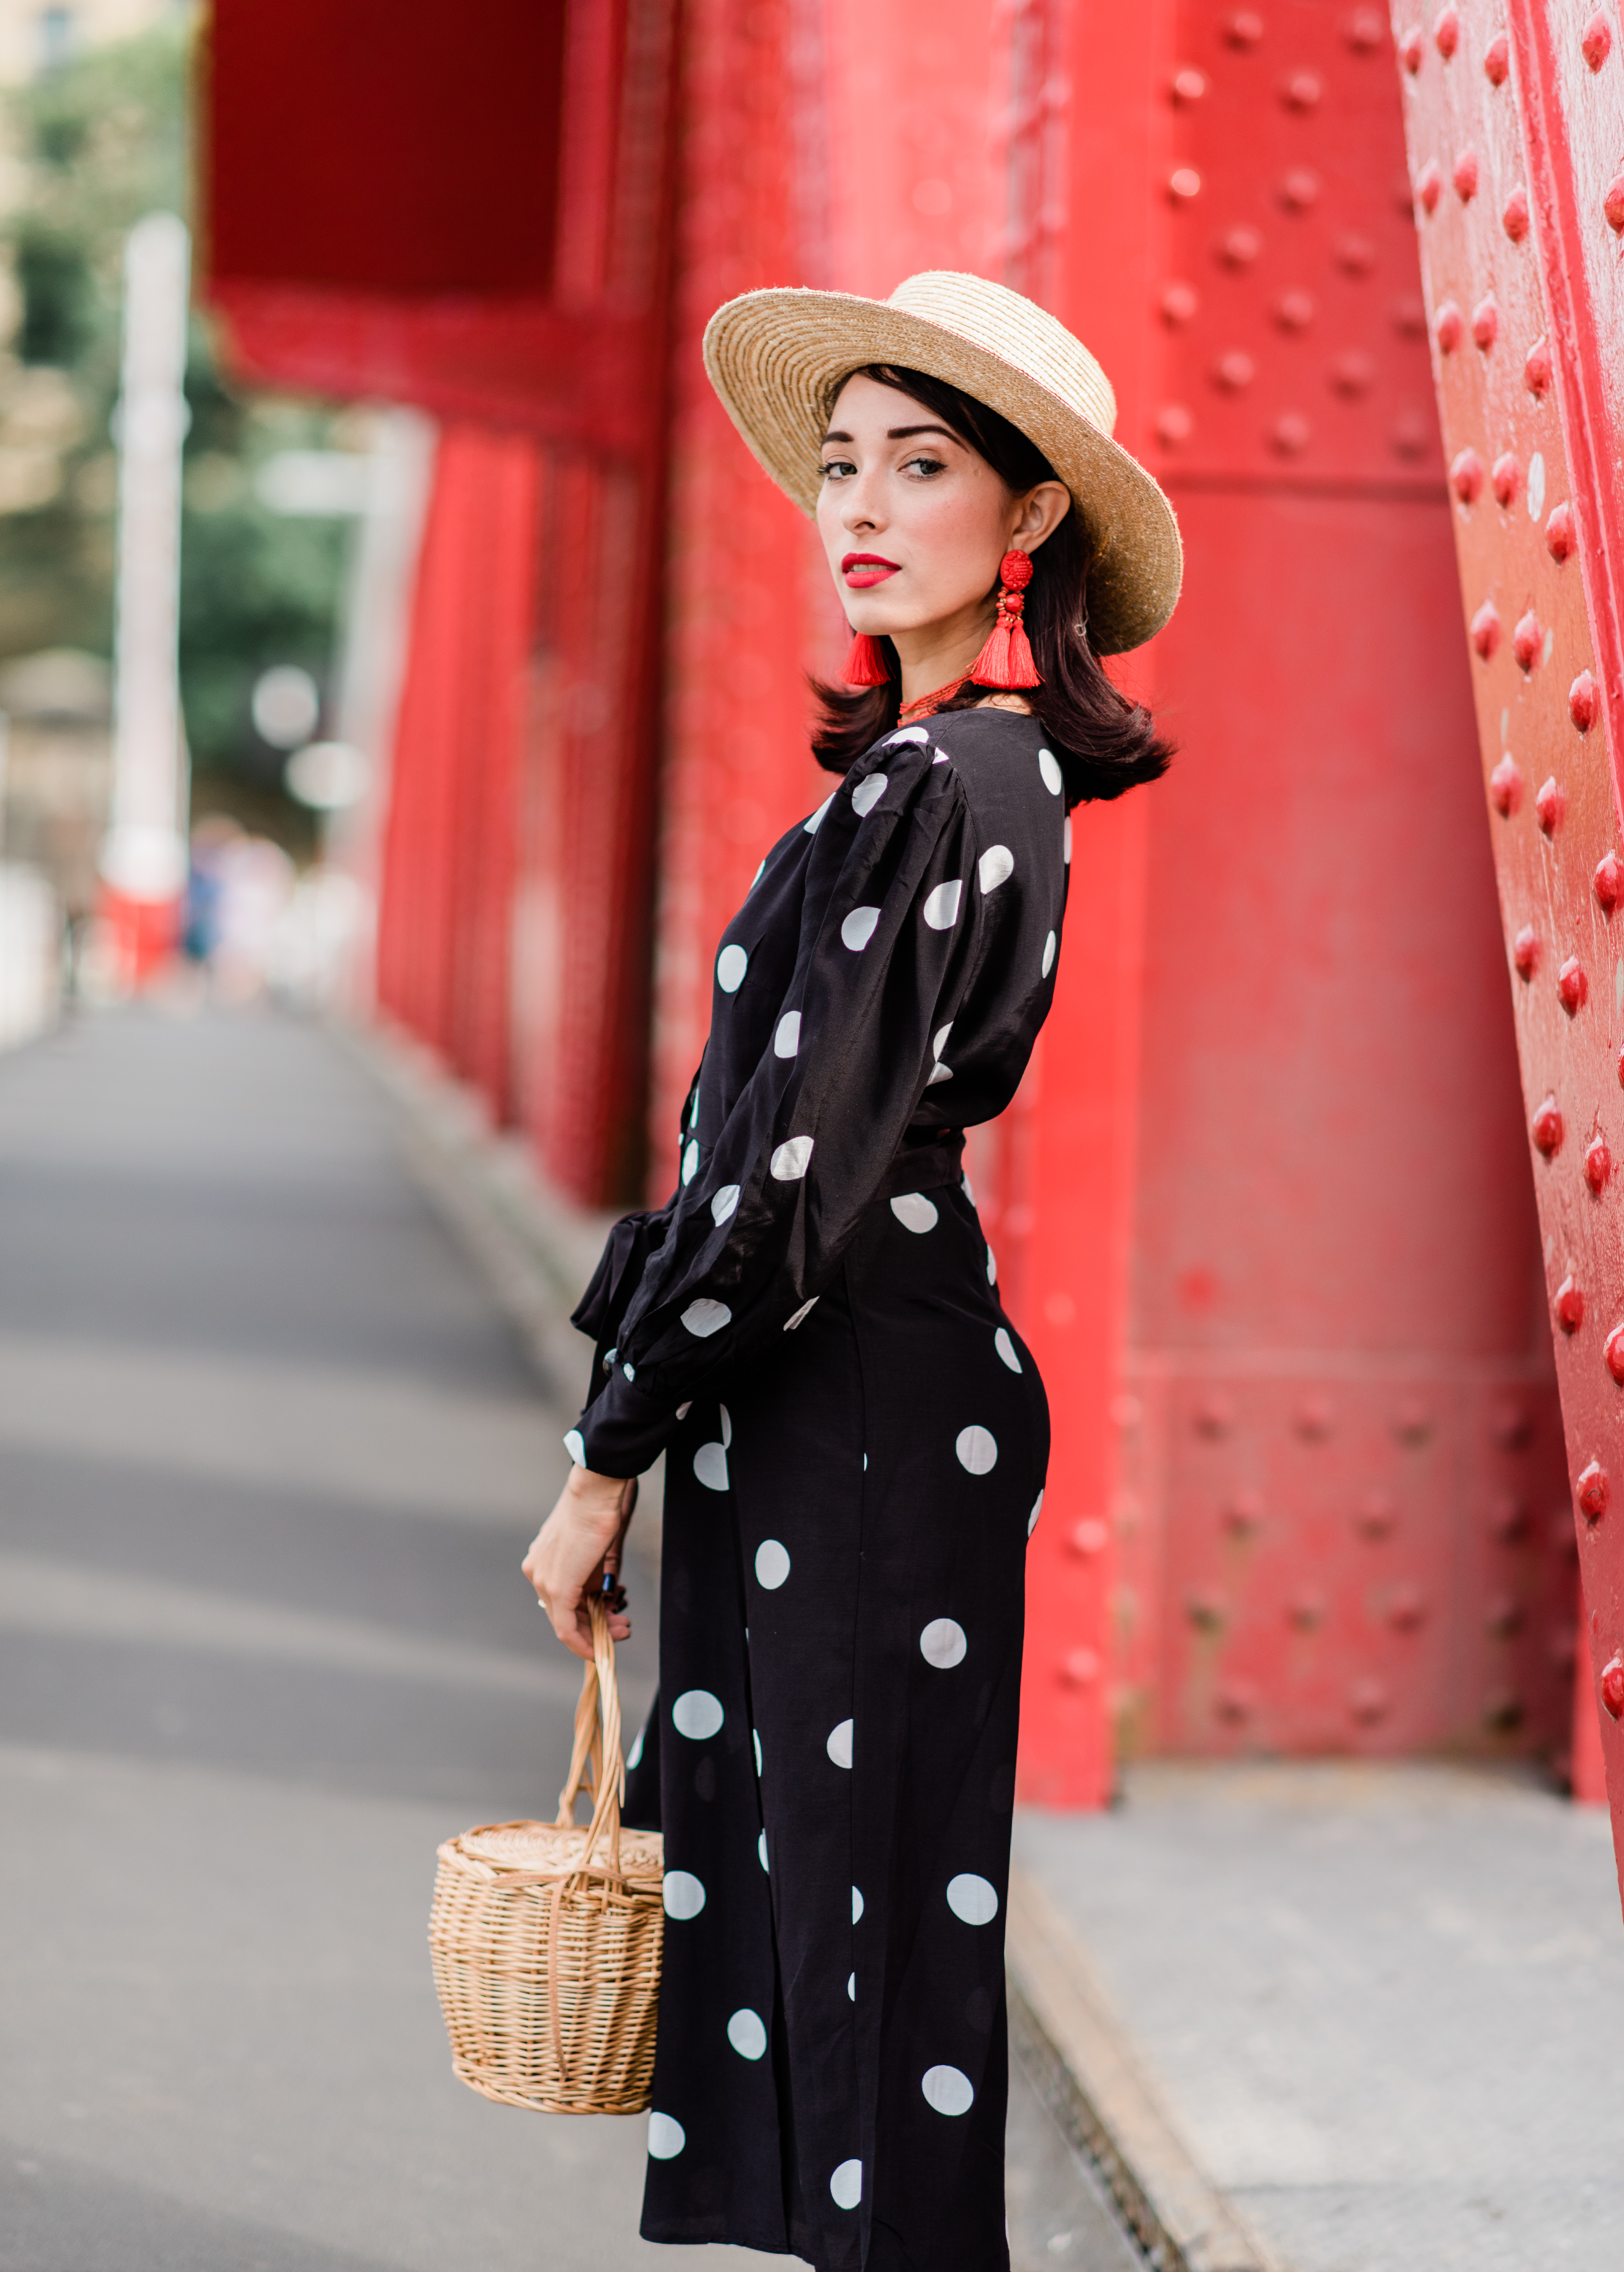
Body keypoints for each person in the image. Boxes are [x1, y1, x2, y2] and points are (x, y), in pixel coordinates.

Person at [523, 270, 1181, 2271]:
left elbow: (779, 1186)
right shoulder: (967, 779)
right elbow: (777, 1161)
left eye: (920, 464)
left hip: (850, 1398)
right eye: (837, 466)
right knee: (847, 1925)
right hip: (853, 1392)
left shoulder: (934, 787)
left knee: (851, 1926)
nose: (859, 505)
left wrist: (599, 1453)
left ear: (1032, 515)